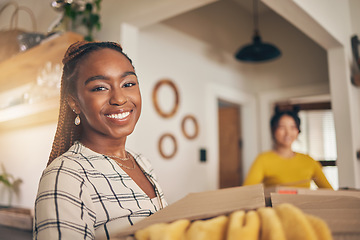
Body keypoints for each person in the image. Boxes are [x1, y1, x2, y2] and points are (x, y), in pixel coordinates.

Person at [33, 41, 167, 240]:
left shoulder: (141, 161)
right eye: (100, 88)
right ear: (74, 102)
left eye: (128, 84)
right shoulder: (67, 175)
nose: (119, 98)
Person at [243, 107, 333, 189]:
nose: (287, 133)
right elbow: (247, 191)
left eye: (292, 127)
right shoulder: (263, 159)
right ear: (274, 130)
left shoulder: (309, 161)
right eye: (282, 127)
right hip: (276, 207)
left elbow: (330, 192)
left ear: (298, 131)